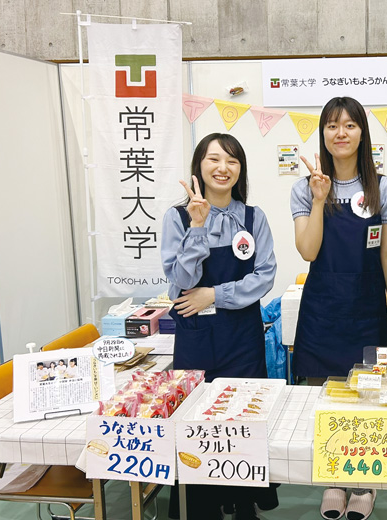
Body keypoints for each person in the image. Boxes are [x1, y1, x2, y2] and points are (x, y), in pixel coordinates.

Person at [291, 96, 387, 520]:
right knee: (326, 401)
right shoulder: (304, 188)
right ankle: (333, 479)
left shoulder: (382, 188)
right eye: (332, 125)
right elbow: (308, 251)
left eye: (350, 125)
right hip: (322, 309)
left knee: (367, 398)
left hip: (367, 307)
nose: (341, 133)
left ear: (362, 133)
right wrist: (320, 199)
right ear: (322, 133)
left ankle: (365, 483)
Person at [161, 133, 278, 520]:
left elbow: (264, 276)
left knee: (244, 424)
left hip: (243, 339)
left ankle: (245, 507)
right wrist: (198, 227)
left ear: (241, 169)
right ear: (199, 166)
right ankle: (203, 509)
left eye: (232, 160)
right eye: (213, 159)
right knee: (196, 426)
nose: (222, 168)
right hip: (197, 342)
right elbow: (180, 282)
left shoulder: (253, 217)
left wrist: (214, 294)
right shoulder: (178, 218)